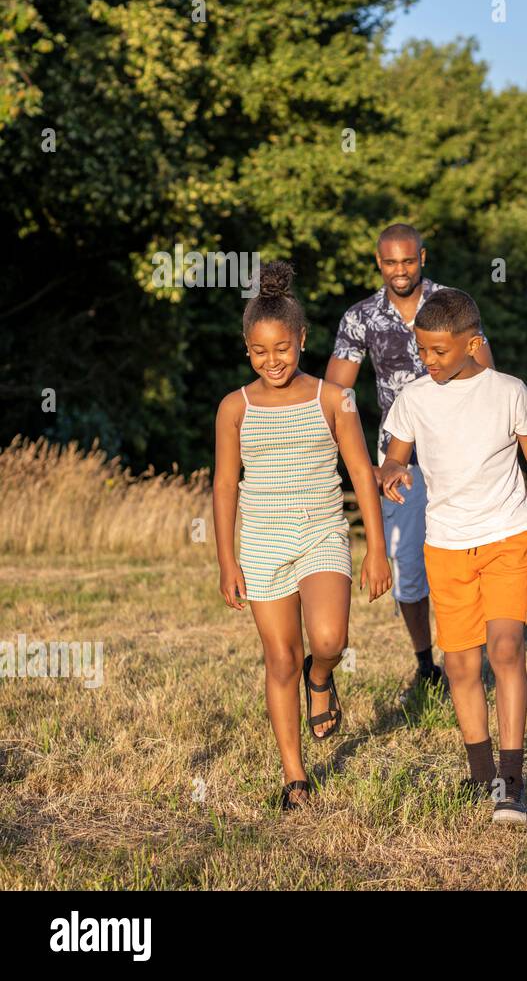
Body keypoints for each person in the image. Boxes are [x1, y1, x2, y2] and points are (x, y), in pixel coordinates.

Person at [214, 260, 392, 810]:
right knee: (279, 659)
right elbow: (224, 487)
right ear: (248, 348)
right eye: (261, 351)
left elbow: (363, 473)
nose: (274, 361)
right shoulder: (233, 408)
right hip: (263, 544)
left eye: (283, 348)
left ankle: (323, 678)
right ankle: (295, 777)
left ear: (302, 340)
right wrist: (227, 561)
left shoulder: (333, 398)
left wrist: (376, 549)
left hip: (322, 533)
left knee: (328, 640)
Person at [379, 287, 527, 824]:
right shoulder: (412, 398)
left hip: (507, 537)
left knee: (505, 649)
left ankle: (511, 780)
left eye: (440, 351)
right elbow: (395, 458)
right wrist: (391, 473)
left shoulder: (508, 391)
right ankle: (479, 774)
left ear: (472, 343)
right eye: (423, 350)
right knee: (459, 665)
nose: (429, 361)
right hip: (446, 545)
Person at [326, 223, 497, 701]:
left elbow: (487, 372)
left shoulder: (452, 305)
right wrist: (360, 460)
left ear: (423, 256)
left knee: (463, 551)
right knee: (406, 564)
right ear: (378, 263)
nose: (400, 271)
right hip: (397, 457)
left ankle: (465, 654)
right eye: (390, 263)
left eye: (408, 261)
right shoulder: (360, 317)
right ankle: (427, 665)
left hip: (457, 449)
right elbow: (337, 394)